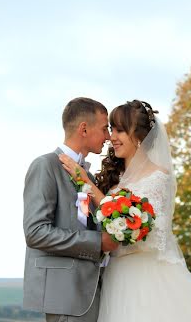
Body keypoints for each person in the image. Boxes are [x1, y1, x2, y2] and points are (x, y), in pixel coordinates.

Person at [60, 99, 191, 322]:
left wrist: (90, 188)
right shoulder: (113, 182)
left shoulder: (158, 177)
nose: (112, 137)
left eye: (120, 130)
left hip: (147, 278)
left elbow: (142, 233)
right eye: (111, 130)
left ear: (139, 136)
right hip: (115, 279)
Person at [23, 97, 118, 322]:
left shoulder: (89, 177)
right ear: (84, 129)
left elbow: (82, 221)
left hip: (89, 292)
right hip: (64, 294)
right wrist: (98, 243)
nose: (108, 136)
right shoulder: (45, 166)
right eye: (105, 128)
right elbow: (35, 233)